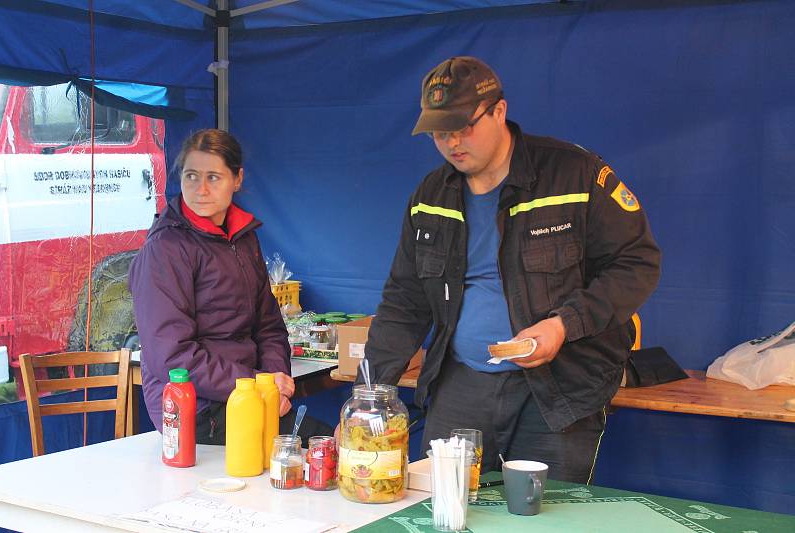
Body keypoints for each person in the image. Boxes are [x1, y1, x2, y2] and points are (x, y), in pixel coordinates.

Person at [360, 57, 661, 483]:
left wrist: (563, 324)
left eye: (464, 126)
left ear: (499, 111)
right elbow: (403, 302)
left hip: (557, 390)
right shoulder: (430, 196)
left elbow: (637, 263)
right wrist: (368, 395)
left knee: (543, 515)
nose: (452, 142)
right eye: (440, 132)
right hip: (460, 385)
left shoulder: (575, 174)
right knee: (445, 510)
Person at [129, 128, 327, 444]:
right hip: (196, 410)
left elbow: (269, 327)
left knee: (330, 447)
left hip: (246, 396)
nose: (201, 189)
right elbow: (172, 357)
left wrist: (275, 379)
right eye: (191, 176)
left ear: (237, 179)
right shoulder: (166, 249)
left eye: (213, 177)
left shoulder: (243, 238)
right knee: (323, 447)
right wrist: (257, 387)